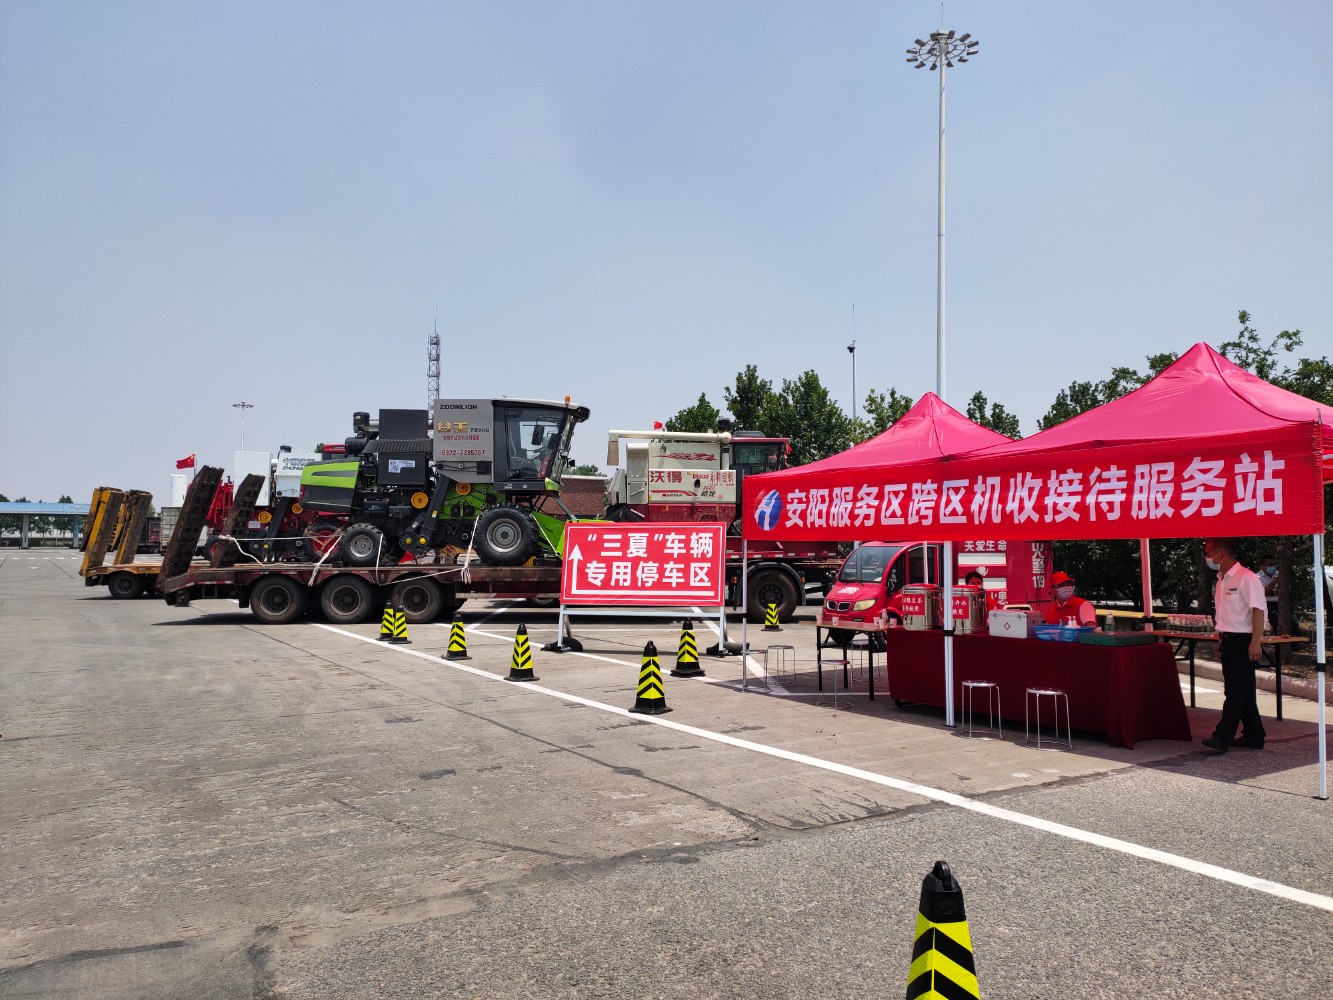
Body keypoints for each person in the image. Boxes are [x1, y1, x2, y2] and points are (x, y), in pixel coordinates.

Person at [1201, 539, 1267, 753]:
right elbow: (1225, 615)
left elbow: (1258, 610)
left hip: (1243, 640)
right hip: (1228, 639)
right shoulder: (1221, 579)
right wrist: (1220, 640)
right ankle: (1254, 735)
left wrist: (1256, 641)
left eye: (1209, 553)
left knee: (1235, 691)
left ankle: (1222, 736)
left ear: (1222, 553)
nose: (1207, 558)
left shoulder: (1247, 578)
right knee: (1242, 690)